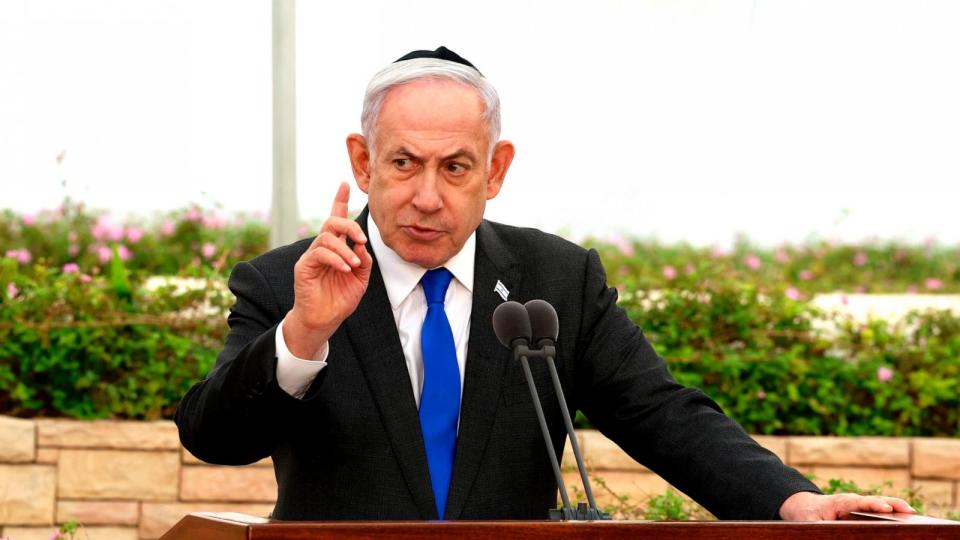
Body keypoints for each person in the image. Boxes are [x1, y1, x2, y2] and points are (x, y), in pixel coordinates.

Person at [175, 46, 914, 521]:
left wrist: (791, 503)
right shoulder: (288, 283)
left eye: (455, 167)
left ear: (495, 171)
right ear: (362, 161)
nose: (427, 195)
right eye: (403, 164)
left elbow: (662, 414)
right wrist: (305, 333)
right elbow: (213, 438)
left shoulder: (554, 281)